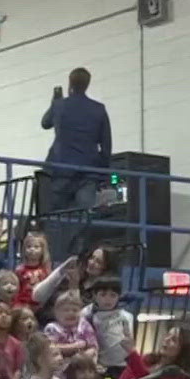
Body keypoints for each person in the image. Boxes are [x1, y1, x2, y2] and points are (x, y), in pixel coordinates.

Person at [39, 67, 112, 260]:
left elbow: (45, 123)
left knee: (53, 217)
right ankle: (77, 257)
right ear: (88, 84)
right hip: (87, 172)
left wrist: (54, 101)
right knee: (83, 218)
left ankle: (51, 257)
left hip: (60, 169)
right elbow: (106, 145)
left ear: (70, 83)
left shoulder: (60, 105)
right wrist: (103, 176)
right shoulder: (98, 109)